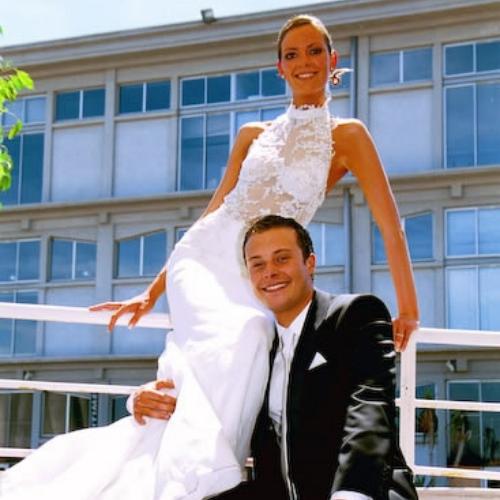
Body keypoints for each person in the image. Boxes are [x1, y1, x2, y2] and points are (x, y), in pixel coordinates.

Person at [0, 14, 419, 500]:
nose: (304, 62)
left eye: (313, 51)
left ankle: (184, 478)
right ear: (279, 67)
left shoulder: (348, 136)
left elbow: (390, 224)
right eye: (291, 54)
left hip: (259, 265)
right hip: (204, 257)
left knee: (249, 337)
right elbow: (213, 211)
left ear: (332, 60)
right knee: (242, 341)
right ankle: (189, 479)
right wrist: (152, 291)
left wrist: (408, 308)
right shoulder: (252, 134)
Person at [135, 215, 418, 500]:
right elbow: (207, 389)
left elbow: (370, 409)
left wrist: (351, 494)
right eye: (257, 264)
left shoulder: (355, 315)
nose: (269, 272)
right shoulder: (256, 345)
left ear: (309, 263)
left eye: (282, 259)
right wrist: (150, 397)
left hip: (365, 491)